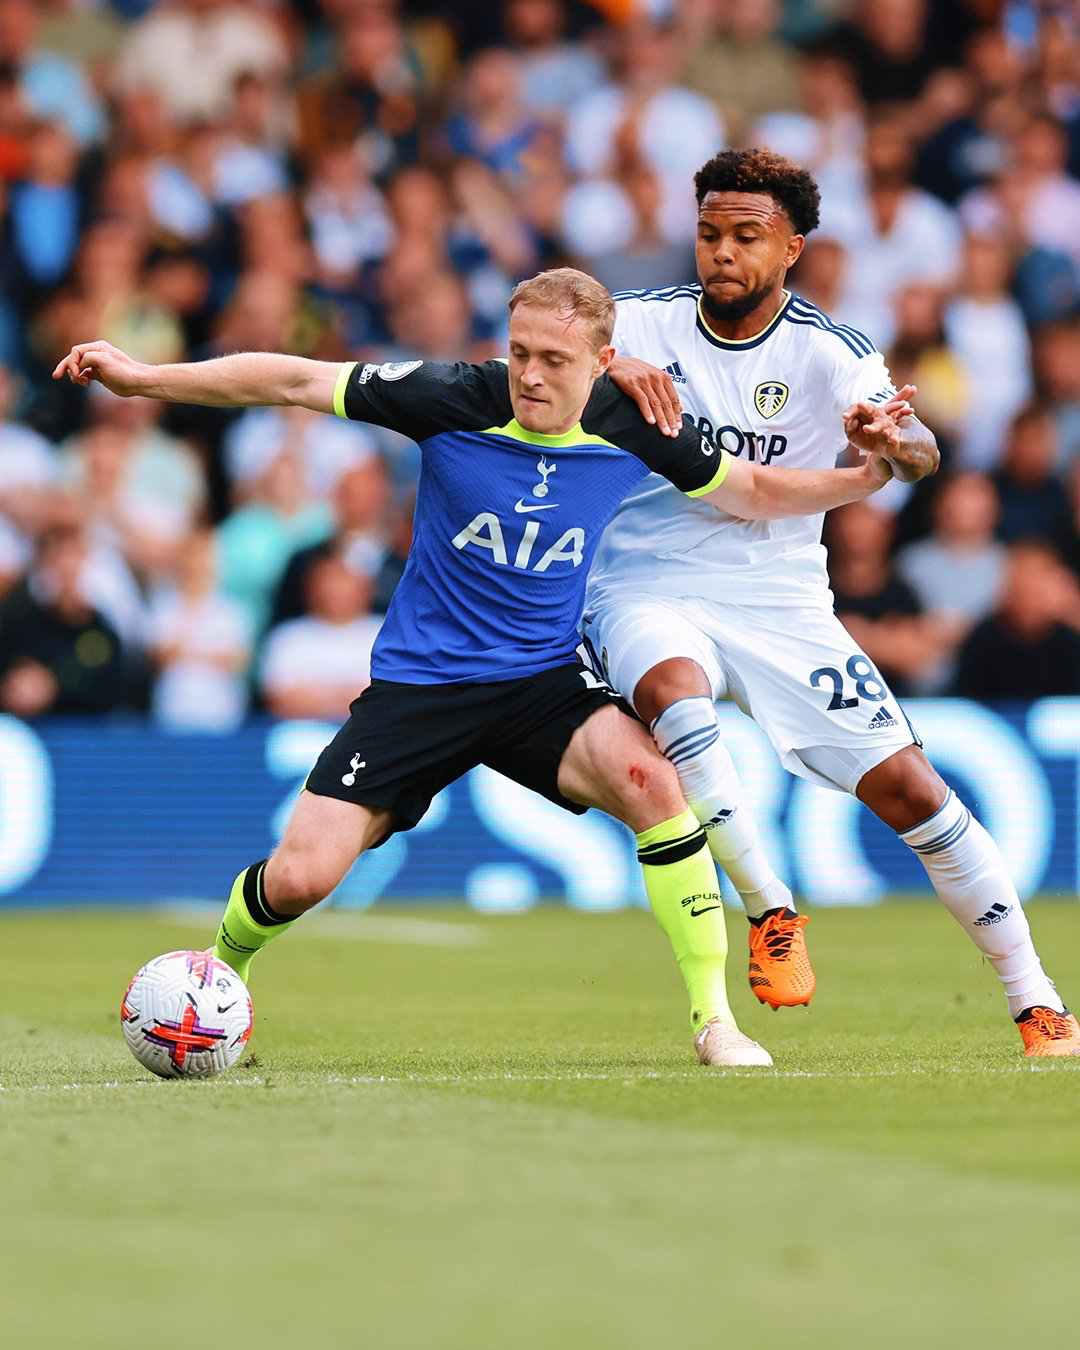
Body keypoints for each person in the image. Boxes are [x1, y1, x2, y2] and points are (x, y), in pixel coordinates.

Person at [54, 266, 900, 1068]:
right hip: (420, 687)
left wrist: (862, 479)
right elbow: (294, 380)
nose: (529, 375)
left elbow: (748, 490)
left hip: (538, 681)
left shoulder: (634, 423)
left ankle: (714, 1021)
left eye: (554, 360)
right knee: (303, 876)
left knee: (655, 782)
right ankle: (220, 966)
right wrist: (144, 379)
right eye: (520, 351)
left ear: (602, 363)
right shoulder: (454, 396)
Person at [588, 149, 1079, 1058]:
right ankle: (772, 906)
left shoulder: (831, 349)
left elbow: (917, 448)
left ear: (793, 248)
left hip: (780, 601)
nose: (722, 252)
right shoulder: (637, 324)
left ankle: (1038, 1001)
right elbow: (541, 363)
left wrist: (896, 441)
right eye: (708, 234)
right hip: (645, 579)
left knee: (916, 792)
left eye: (746, 236)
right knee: (673, 692)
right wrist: (606, 371)